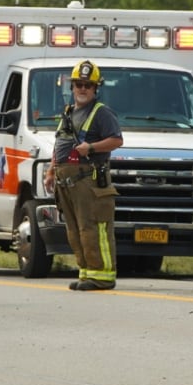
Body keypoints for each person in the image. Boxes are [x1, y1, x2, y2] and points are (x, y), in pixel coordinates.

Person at [41, 60, 123, 291]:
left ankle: (103, 276)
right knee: (75, 229)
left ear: (96, 88)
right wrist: (50, 172)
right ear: (72, 87)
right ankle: (87, 273)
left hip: (88, 180)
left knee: (93, 228)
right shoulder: (69, 112)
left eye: (88, 84)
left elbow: (117, 140)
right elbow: (60, 144)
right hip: (65, 181)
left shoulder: (101, 112)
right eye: (79, 84)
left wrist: (93, 148)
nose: (83, 89)